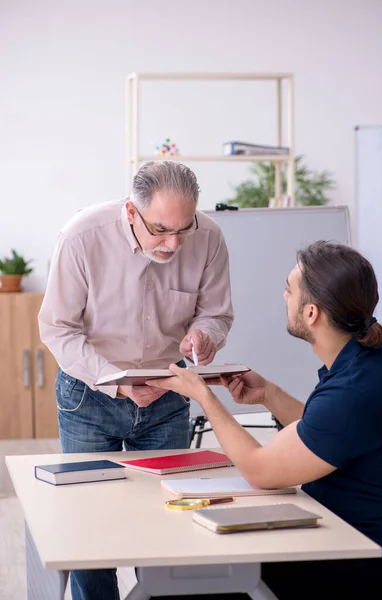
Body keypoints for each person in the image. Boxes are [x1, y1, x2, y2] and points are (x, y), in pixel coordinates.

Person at [150, 241, 382, 600]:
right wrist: (268, 393)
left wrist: (204, 396)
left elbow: (259, 470)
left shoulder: (354, 391)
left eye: (289, 289)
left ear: (311, 312)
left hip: (356, 562)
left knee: (188, 579)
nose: (284, 297)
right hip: (342, 536)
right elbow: (326, 434)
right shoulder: (376, 354)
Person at [38, 160, 234, 600]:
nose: (173, 243)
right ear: (131, 211)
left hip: (167, 393)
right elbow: (58, 329)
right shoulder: (82, 237)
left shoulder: (209, 237)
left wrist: (206, 335)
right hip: (90, 393)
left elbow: (217, 312)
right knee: (92, 525)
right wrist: (116, 381)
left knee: (170, 516)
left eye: (184, 229)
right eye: (161, 230)